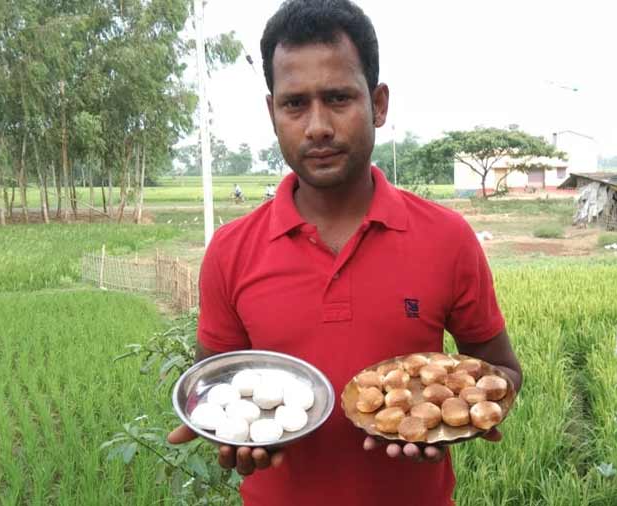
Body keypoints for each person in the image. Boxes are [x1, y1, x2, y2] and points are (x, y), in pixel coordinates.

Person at [167, 1, 523, 505]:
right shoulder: (232, 250)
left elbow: (502, 371)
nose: (316, 126)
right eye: (295, 104)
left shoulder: (447, 238)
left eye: (338, 98)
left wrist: (455, 418)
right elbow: (216, 389)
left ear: (378, 104)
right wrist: (227, 437)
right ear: (272, 113)